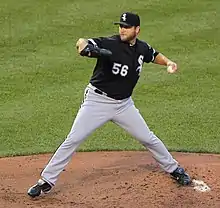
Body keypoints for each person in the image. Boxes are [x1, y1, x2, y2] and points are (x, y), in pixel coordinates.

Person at [27, 12, 191, 198]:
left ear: (137, 30)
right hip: (97, 102)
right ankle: (46, 181)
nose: (122, 29)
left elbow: (153, 55)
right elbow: (82, 42)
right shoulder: (111, 43)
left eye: (126, 27)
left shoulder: (141, 48)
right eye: (120, 26)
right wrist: (86, 49)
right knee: (73, 139)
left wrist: (168, 62)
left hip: (124, 105)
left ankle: (175, 169)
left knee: (148, 138)